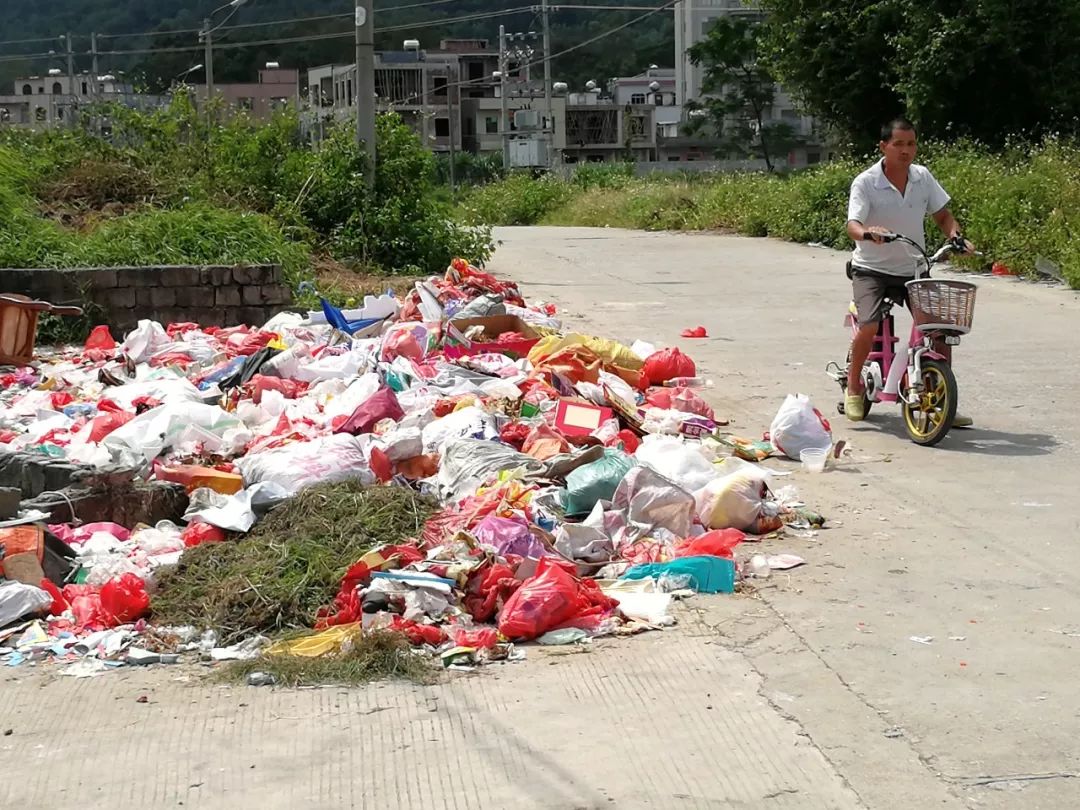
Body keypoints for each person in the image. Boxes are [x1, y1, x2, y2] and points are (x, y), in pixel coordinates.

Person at [844, 117, 973, 425]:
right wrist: (867, 233)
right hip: (871, 270)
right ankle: (852, 388)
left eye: (911, 144)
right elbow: (852, 226)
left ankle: (941, 401)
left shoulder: (922, 177)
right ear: (883, 146)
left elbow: (942, 215)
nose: (906, 150)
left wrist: (955, 235)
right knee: (869, 326)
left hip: (913, 268)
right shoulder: (866, 181)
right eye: (898, 144)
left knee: (938, 329)